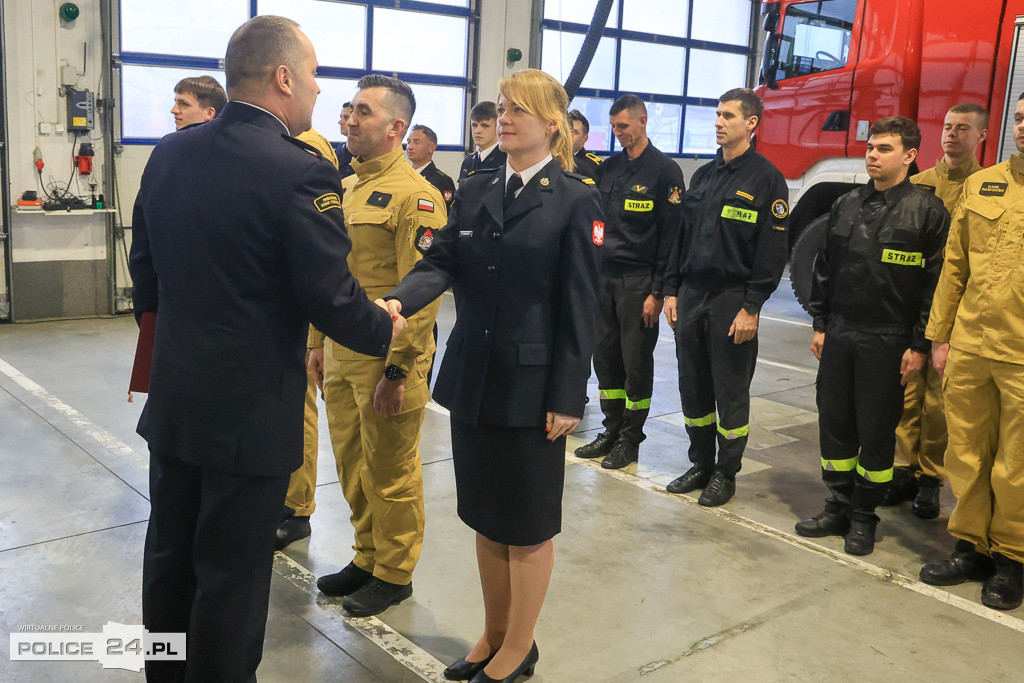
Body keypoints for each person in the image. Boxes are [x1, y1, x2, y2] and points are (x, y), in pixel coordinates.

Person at [130, 16, 405, 682]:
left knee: (168, 560)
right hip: (247, 419)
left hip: (175, 401)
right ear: (283, 78)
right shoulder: (299, 172)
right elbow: (330, 297)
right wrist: (384, 326)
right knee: (230, 577)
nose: (318, 92)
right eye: (312, 77)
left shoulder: (171, 152)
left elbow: (145, 270)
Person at [384, 68, 601, 683]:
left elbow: (581, 307)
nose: (503, 119)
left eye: (518, 111)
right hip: (474, 380)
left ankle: (520, 648)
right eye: (501, 108)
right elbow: (442, 260)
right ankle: (494, 633)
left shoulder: (577, 199)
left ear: (551, 125)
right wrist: (401, 300)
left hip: (534, 391)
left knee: (526, 526)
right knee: (485, 516)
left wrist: (567, 396)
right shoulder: (478, 188)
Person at [310, 74, 448, 618]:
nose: (348, 118)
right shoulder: (348, 188)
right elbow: (334, 277)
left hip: (386, 359)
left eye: (362, 111)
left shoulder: (419, 197)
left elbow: (423, 293)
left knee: (390, 470)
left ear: (396, 128)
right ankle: (367, 555)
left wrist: (398, 371)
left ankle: (395, 572)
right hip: (342, 353)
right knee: (351, 464)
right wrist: (317, 341)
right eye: (348, 108)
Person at [797, 116, 949, 555]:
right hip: (841, 334)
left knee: (877, 431)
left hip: (889, 340)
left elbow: (933, 287)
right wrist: (820, 324)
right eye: (871, 148)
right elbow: (823, 269)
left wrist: (920, 343)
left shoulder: (928, 212)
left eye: (884, 149)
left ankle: (864, 517)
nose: (873, 155)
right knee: (835, 424)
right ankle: (838, 505)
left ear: (910, 155)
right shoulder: (845, 204)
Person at [918, 93, 1024, 610]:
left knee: (1017, 463)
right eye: (1021, 118)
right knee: (966, 452)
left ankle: (1011, 558)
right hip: (970, 346)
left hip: (1021, 355)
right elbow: (954, 267)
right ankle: (970, 546)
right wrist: (940, 336)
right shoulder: (985, 185)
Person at [661, 88, 789, 507]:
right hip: (693, 294)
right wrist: (671, 290)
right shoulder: (702, 176)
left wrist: (752, 307)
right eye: (717, 114)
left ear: (751, 123)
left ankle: (725, 473)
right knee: (693, 385)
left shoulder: (767, 180)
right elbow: (681, 239)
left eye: (728, 115)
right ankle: (700, 462)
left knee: (729, 389)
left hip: (732, 299)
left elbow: (771, 253)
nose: (718, 121)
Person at [882, 103, 988, 518]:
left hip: (961, 311)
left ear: (981, 136)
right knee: (907, 391)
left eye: (963, 129)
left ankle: (931, 477)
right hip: (913, 305)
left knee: (939, 401)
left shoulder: (988, 185)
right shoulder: (917, 184)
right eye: (947, 127)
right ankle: (902, 470)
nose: (952, 134)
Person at [574, 94, 684, 470]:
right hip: (604, 278)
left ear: (642, 121)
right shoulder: (610, 168)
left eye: (624, 126)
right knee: (605, 359)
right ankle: (611, 429)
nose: (619, 133)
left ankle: (631, 440)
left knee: (635, 363)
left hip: (640, 283)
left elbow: (671, 238)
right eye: (614, 127)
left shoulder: (666, 172)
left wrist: (659, 291)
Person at [273, 127, 340, 551]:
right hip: (266, 306)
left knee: (297, 409)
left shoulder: (306, 141)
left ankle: (296, 507)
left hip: (295, 303)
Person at [407, 123, 456, 212]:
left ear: (431, 148)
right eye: (409, 142)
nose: (410, 147)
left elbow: (446, 215)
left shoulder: (442, 181)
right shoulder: (403, 176)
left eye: (416, 142)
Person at [458, 101, 506, 184]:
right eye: (474, 125)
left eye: (484, 125)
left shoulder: (506, 159)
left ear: (498, 127)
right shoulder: (468, 161)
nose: (477, 131)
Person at [568, 109, 602, 180]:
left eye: (575, 132)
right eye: (566, 131)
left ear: (585, 138)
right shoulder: (553, 160)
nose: (569, 136)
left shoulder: (594, 166)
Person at [337, 101, 355, 179]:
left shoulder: (366, 153)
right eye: (341, 117)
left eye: (346, 117)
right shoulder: (339, 148)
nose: (340, 122)